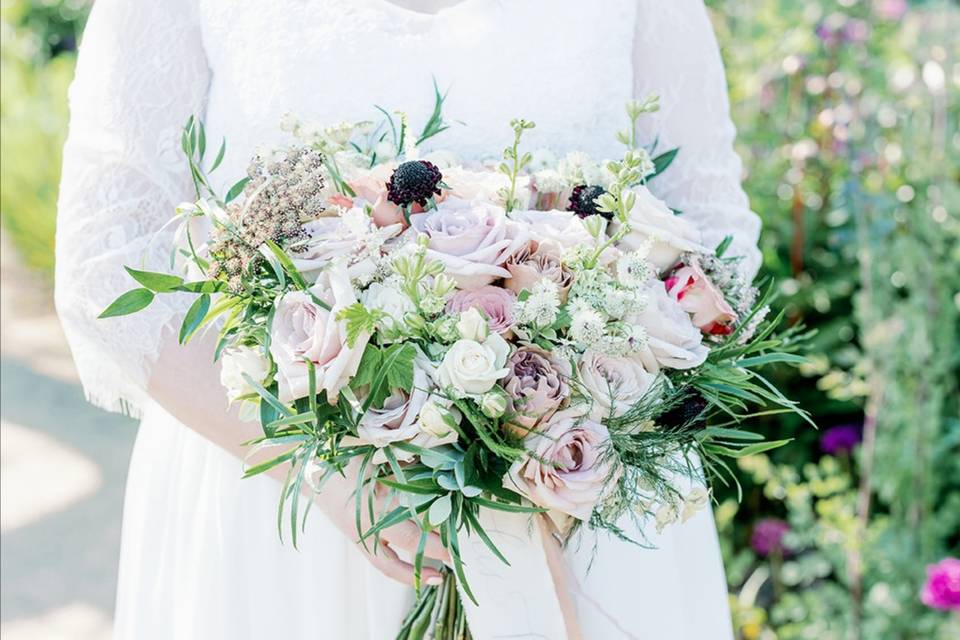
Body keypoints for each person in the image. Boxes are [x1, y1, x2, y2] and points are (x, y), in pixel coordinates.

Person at [55, 0, 761, 637]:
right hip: (291, 512)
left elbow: (715, 238)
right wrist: (336, 480)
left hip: (587, 498)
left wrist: (574, 404)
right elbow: (109, 260)